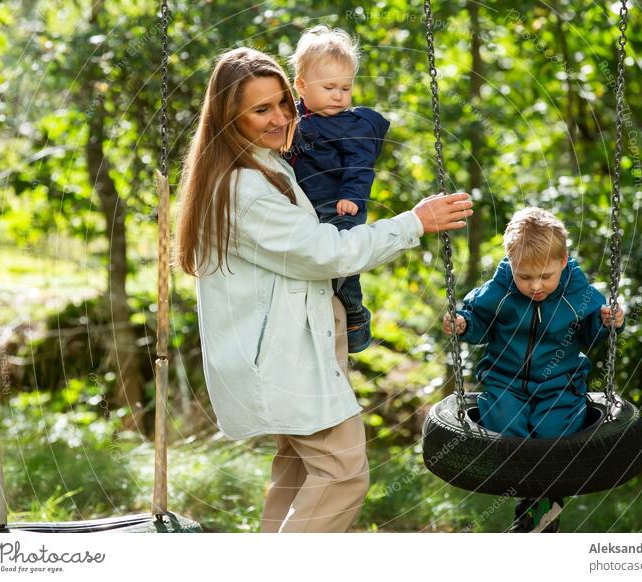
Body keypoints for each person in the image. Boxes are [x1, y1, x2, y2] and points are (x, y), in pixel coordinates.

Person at [174, 47, 472, 533]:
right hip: (281, 355)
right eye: (260, 109)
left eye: (284, 103)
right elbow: (324, 252)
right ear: (229, 118)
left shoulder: (268, 164)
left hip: (296, 343)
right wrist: (414, 223)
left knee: (294, 474)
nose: (280, 118)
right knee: (342, 474)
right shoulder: (243, 189)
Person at [442, 207, 624, 533]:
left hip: (559, 383)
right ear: (510, 264)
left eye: (545, 276)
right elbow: (479, 322)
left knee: (555, 433)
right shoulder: (499, 292)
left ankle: (539, 510)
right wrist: (463, 323)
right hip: (505, 381)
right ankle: (535, 508)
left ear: (563, 260)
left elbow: (592, 335)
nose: (535, 286)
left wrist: (607, 322)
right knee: (506, 427)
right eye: (524, 277)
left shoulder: (578, 294)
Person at [286, 25, 389, 353]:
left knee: (342, 263)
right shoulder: (294, 119)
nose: (338, 96)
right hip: (307, 207)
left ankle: (355, 315)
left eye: (345, 88)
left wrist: (352, 197)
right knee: (313, 268)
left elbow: (360, 166)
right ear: (301, 86)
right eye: (329, 87)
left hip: (339, 205)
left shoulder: (352, 125)